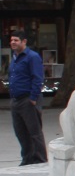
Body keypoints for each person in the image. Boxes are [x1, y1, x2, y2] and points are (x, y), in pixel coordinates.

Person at [8, 30, 46, 166]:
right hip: (15, 100)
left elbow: (38, 78)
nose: (13, 42)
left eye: (16, 40)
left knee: (34, 131)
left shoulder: (32, 57)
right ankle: (27, 158)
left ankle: (40, 158)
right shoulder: (14, 58)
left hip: (28, 99)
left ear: (24, 42)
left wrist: (33, 97)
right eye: (12, 40)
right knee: (20, 131)